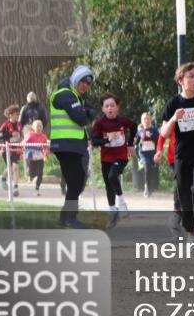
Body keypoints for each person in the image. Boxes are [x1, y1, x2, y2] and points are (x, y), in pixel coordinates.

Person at [160, 62, 194, 243]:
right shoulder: (174, 103)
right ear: (181, 81)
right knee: (183, 195)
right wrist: (174, 118)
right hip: (182, 155)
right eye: (191, 76)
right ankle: (191, 233)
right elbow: (164, 133)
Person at [49, 65, 97, 228]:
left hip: (73, 145)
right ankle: (69, 218)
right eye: (83, 81)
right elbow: (82, 118)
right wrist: (86, 113)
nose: (86, 86)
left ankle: (66, 216)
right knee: (76, 181)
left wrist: (86, 112)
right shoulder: (64, 95)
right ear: (76, 79)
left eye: (89, 84)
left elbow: (91, 112)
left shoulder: (77, 97)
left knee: (77, 181)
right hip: (65, 145)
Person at [92, 93, 137, 229]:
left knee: (113, 176)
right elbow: (94, 141)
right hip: (106, 158)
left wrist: (130, 144)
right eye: (107, 106)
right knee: (108, 185)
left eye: (112, 105)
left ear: (117, 107)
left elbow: (134, 126)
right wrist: (107, 139)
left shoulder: (123, 121)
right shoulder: (99, 124)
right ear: (103, 109)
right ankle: (113, 211)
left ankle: (122, 203)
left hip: (121, 156)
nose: (110, 108)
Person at [0, 104, 23, 195]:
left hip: (16, 149)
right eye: (16, 114)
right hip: (7, 149)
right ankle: (3, 178)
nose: (17, 116)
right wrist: (9, 136)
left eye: (18, 114)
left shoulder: (19, 124)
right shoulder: (6, 124)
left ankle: (15, 188)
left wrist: (21, 146)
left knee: (15, 167)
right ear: (10, 115)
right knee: (11, 167)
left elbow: (19, 137)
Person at [22, 120, 49, 196]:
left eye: (40, 126)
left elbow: (45, 147)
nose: (39, 128)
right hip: (31, 157)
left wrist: (46, 152)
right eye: (37, 126)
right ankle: (30, 177)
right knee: (32, 174)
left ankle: (37, 189)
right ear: (33, 127)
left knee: (40, 174)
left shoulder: (44, 137)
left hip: (40, 157)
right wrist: (28, 147)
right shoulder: (30, 135)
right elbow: (23, 143)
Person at [136, 112, 160, 198]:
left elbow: (159, 142)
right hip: (143, 155)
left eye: (148, 118)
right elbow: (136, 143)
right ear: (142, 121)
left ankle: (150, 188)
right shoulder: (140, 131)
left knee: (151, 170)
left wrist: (158, 153)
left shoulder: (154, 130)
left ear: (150, 120)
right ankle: (146, 187)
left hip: (153, 155)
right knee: (147, 167)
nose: (146, 120)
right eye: (144, 119)